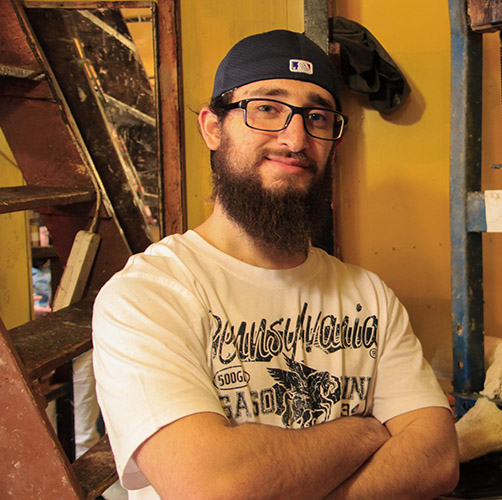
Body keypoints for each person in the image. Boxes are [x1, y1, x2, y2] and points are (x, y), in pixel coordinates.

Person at [92, 29, 459, 500]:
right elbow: (215, 487)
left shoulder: (369, 296)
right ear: (212, 127)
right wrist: (365, 432)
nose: (295, 137)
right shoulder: (149, 294)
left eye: (318, 116)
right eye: (267, 107)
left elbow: (437, 459)